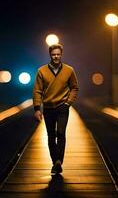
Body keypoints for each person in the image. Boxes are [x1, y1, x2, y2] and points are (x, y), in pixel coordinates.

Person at [33, 44, 79, 174]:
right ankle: (55, 162)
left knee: (61, 133)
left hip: (62, 107)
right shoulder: (41, 71)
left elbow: (74, 87)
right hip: (48, 108)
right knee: (51, 135)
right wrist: (37, 109)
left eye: (58, 54)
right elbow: (37, 91)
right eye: (54, 54)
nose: (56, 57)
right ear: (50, 55)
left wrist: (68, 103)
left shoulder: (69, 70)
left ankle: (59, 161)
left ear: (61, 54)